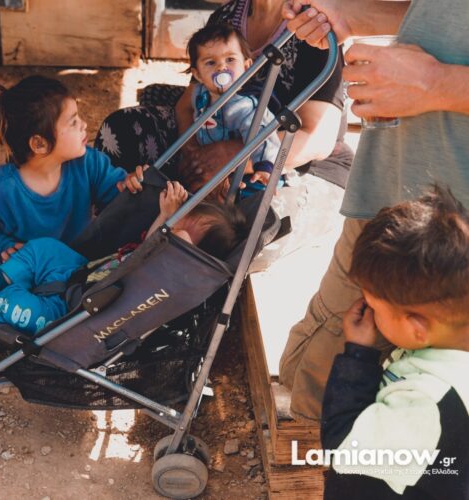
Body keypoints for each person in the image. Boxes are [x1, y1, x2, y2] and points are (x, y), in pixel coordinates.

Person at [279, 0, 469, 422]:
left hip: (457, 235)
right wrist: (356, 16)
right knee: (310, 375)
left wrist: (439, 84)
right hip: (390, 193)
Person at [95, 0, 351, 270]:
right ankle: (105, 245)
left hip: (287, 164)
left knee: (246, 233)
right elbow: (187, 103)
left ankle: (175, 258)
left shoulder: (313, 28)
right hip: (210, 134)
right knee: (122, 129)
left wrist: (234, 157)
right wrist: (191, 152)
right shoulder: (226, 17)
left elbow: (316, 140)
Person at [320, 186, 469, 499]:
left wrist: (357, 356)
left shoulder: (424, 404)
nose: (368, 311)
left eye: (375, 306)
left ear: (417, 328)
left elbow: (343, 446)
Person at [0, 181, 248, 334]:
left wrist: (176, 230)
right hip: (83, 273)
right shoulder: (160, 244)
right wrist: (166, 215)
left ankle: (6, 294)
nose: (176, 225)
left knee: (23, 305)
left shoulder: (175, 269)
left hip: (77, 307)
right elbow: (147, 247)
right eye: (186, 216)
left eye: (184, 228)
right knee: (46, 249)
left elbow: (157, 252)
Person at [0, 75, 143, 266]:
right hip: (37, 271)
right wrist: (2, 247)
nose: (84, 124)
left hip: (83, 261)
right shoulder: (1, 192)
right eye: (73, 122)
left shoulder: (89, 163)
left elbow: (116, 197)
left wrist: (130, 185)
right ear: (39, 144)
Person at [184, 21, 281, 197]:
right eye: (210, 62)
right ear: (197, 74)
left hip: (249, 176)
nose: (221, 67)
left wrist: (264, 166)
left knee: (243, 198)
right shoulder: (199, 94)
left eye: (230, 60)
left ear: (246, 67)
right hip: (211, 171)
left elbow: (262, 134)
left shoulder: (243, 107)